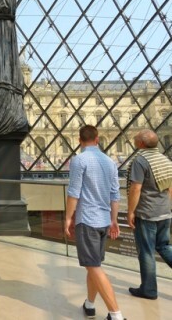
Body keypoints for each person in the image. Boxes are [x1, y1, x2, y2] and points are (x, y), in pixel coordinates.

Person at [64, 125, 126, 320]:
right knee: (94, 264)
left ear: (79, 141)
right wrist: (114, 220)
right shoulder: (110, 162)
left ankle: (115, 315)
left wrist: (67, 218)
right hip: (104, 219)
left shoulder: (79, 160)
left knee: (94, 267)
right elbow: (115, 194)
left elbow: (74, 192)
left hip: (87, 220)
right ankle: (90, 304)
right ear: (98, 139)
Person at [127, 129, 172, 300]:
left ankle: (149, 290)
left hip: (147, 213)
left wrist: (131, 211)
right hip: (164, 212)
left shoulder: (140, 160)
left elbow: (136, 188)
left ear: (141, 144)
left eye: (136, 139)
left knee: (146, 252)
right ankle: (149, 288)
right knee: (164, 246)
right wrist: (167, 207)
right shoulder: (165, 159)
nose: (134, 140)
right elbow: (170, 187)